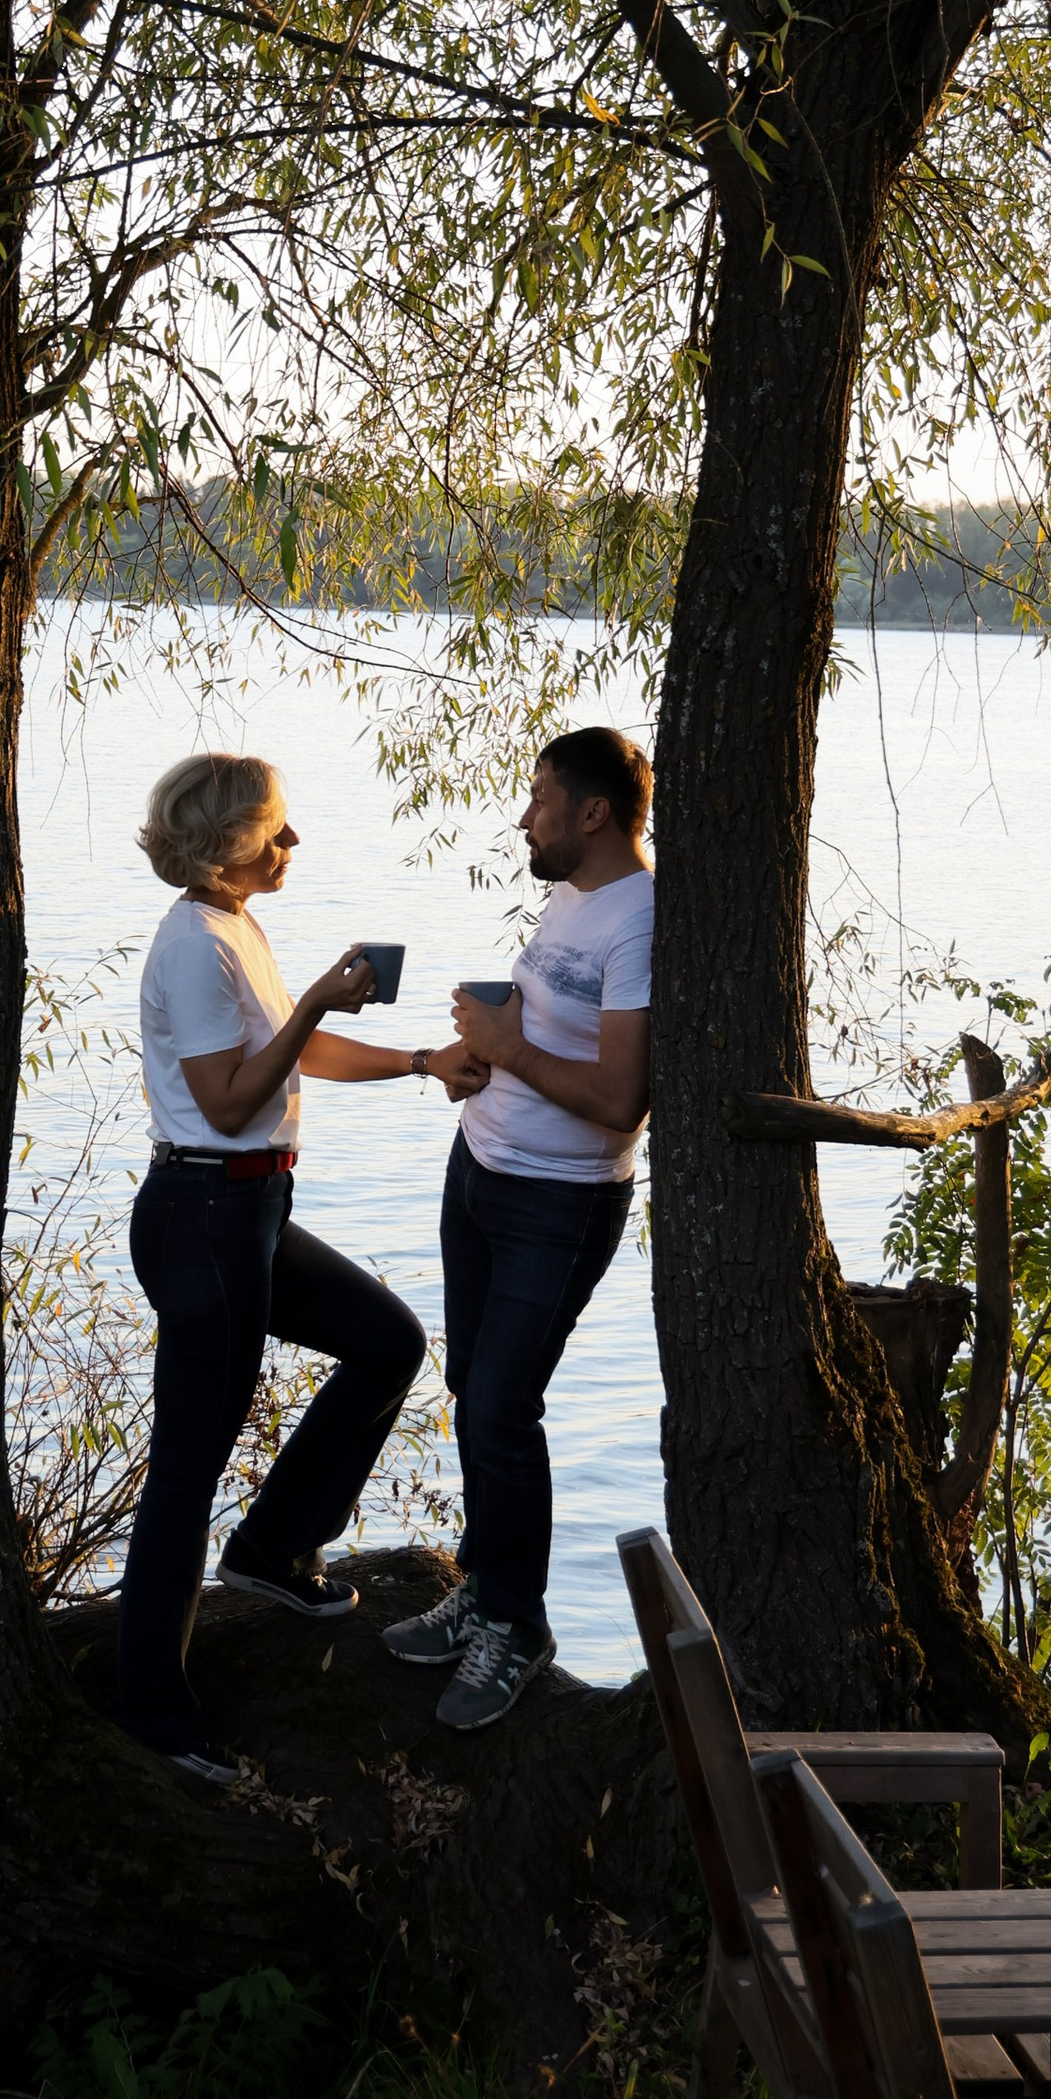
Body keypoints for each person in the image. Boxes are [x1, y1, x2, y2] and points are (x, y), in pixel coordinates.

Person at [114, 749, 478, 1784]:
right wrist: (317, 997)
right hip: (205, 1217)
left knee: (386, 1342)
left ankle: (273, 1551)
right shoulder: (193, 946)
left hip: (250, 1211)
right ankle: (153, 1712)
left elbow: (288, 1054)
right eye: (276, 826)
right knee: (184, 1474)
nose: (292, 840)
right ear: (228, 841)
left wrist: (416, 1061)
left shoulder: (234, 928)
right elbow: (229, 1101)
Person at [384, 725, 653, 1730]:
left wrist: (505, 1043)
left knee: (501, 1404)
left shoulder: (642, 920)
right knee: (470, 1390)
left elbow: (622, 1098)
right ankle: (486, 1591)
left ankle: (517, 1627)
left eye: (539, 797)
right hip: (481, 1166)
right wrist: (479, 1058)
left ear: (591, 812)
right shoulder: (573, 893)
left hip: (560, 1197)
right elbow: (556, 1032)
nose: (524, 815)